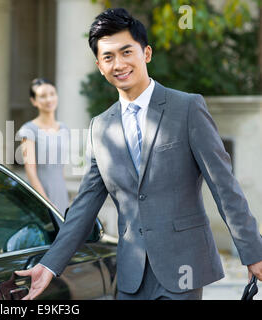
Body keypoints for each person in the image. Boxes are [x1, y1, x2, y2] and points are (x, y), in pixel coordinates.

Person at [15, 8, 262, 300]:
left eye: (126, 52)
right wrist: (49, 264)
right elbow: (84, 207)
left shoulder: (187, 109)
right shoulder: (99, 127)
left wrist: (252, 251)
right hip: (131, 277)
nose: (118, 64)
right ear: (99, 65)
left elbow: (224, 186)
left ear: (146, 53)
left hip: (183, 267)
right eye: (108, 57)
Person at [17, 78, 70, 215]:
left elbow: (61, 168)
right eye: (42, 96)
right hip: (40, 196)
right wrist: (46, 203)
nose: (49, 99)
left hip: (61, 194)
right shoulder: (28, 130)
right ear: (34, 101)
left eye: (52, 94)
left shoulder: (64, 128)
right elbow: (30, 171)